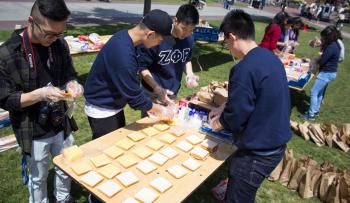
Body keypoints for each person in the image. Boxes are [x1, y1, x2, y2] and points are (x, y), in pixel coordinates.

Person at [0, 0, 84, 202]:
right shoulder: (7, 53)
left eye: (59, 33)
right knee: (38, 177)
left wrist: (73, 84)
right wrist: (40, 94)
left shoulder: (59, 44)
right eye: (48, 33)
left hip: (61, 121)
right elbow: (6, 100)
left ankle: (63, 198)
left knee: (66, 166)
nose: (54, 39)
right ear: (31, 21)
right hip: (33, 127)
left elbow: (69, 74)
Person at [209, 10, 292, 202]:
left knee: (238, 197)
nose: (228, 48)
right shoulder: (269, 57)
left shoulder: (243, 69)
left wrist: (218, 123)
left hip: (258, 153)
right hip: (275, 144)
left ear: (232, 37)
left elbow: (236, 116)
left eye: (226, 43)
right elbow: (257, 96)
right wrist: (225, 107)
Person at [137, 4, 199, 117]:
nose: (187, 33)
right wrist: (157, 88)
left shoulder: (188, 39)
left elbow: (187, 59)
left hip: (172, 91)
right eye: (184, 28)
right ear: (175, 20)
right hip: (152, 93)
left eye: (191, 30)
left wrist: (190, 74)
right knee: (150, 129)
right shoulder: (158, 36)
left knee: (167, 126)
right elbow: (142, 68)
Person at [302, 26, 341, 121]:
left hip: (326, 73)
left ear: (328, 37)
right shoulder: (335, 44)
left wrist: (313, 62)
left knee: (314, 92)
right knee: (319, 93)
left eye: (323, 37)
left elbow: (323, 61)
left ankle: (311, 115)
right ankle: (315, 111)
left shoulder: (331, 47)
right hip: (330, 72)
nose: (322, 39)